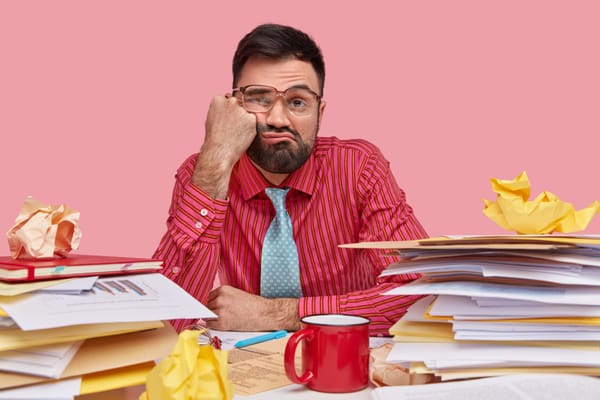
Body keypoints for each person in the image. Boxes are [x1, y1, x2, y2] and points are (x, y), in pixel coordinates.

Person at [154, 23, 427, 336]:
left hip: (348, 360)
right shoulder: (202, 173)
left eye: (297, 102)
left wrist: (279, 315)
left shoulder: (359, 167)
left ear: (319, 112)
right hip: (243, 368)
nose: (278, 120)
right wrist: (215, 159)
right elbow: (165, 319)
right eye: (258, 98)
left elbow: (417, 295)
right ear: (233, 106)